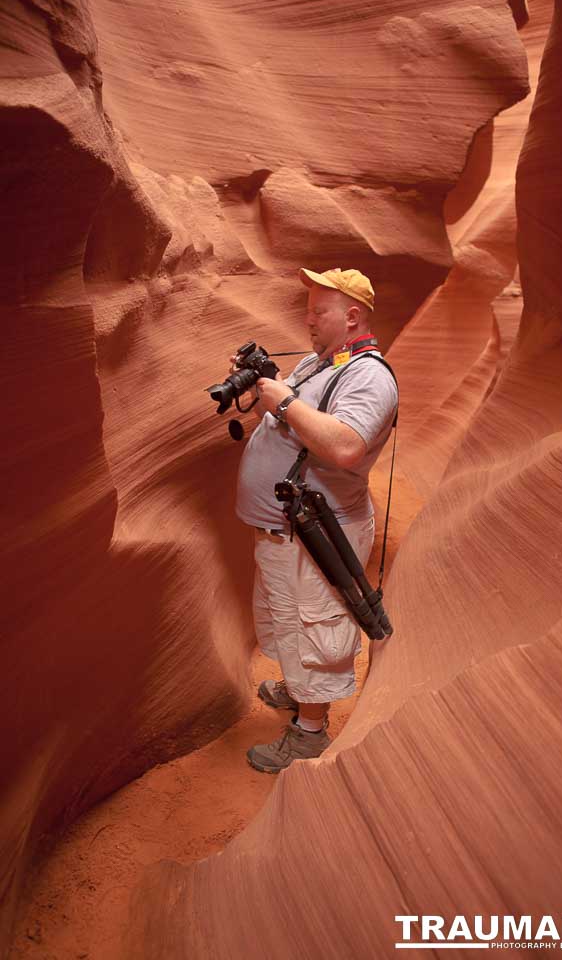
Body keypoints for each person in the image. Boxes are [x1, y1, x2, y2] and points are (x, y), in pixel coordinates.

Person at [234, 266, 398, 773]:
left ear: (351, 317)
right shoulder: (321, 362)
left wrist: (281, 400)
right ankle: (297, 687)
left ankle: (309, 731)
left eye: (317, 311)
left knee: (315, 625)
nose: (307, 319)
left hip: (317, 532)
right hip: (286, 530)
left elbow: (346, 445)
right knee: (287, 616)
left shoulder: (368, 375)